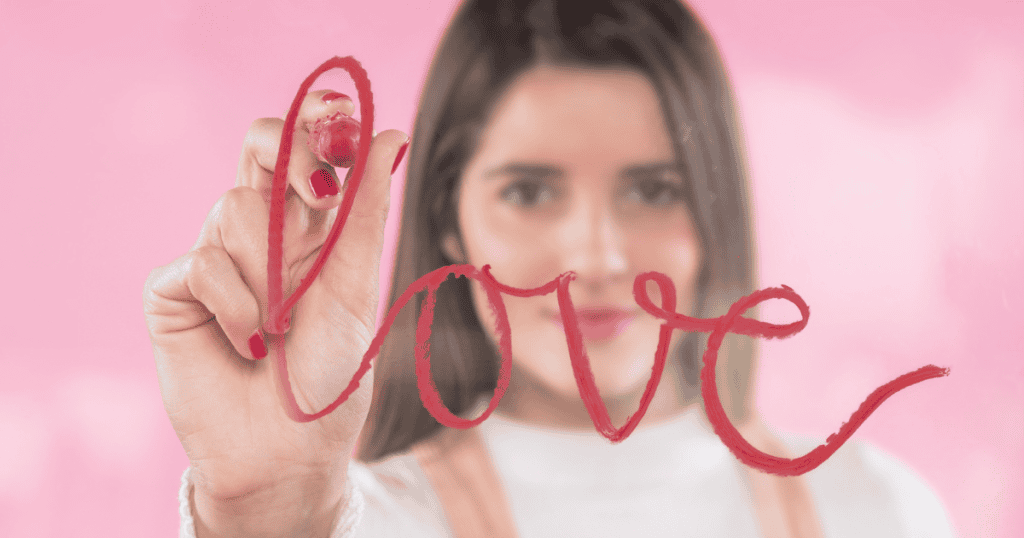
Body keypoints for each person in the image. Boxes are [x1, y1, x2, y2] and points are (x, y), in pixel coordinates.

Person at [143, 0, 957, 536]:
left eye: (654, 189)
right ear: (447, 221)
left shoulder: (881, 514)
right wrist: (266, 515)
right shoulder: (364, 526)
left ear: (716, 213)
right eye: (530, 191)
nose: (597, 258)